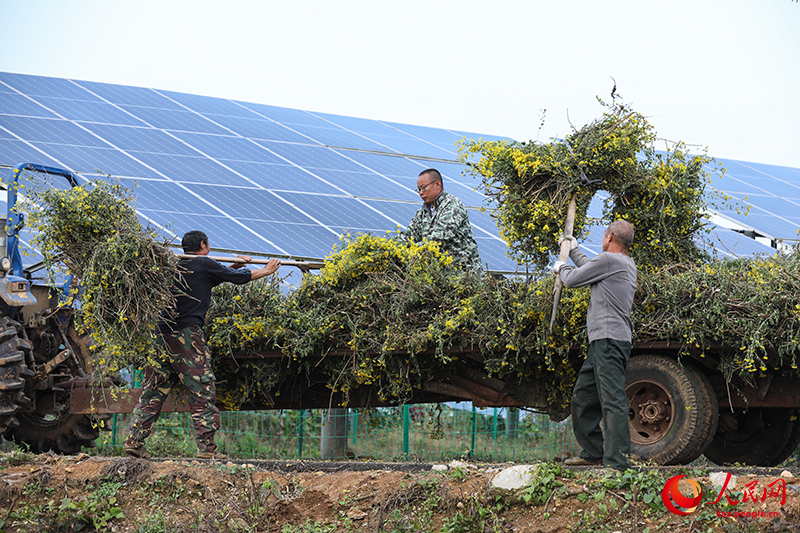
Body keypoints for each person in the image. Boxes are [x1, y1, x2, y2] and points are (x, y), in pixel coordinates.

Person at [124, 230, 281, 460]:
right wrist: (266, 270)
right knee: (201, 389)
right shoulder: (204, 263)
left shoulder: (174, 266)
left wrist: (235, 265)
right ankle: (207, 449)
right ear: (203, 244)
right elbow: (237, 278)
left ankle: (134, 441)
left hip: (160, 336)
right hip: (186, 336)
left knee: (153, 391)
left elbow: (213, 277)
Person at [552, 220, 637, 471]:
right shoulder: (622, 262)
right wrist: (573, 250)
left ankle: (617, 462)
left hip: (609, 340)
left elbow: (572, 279)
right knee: (583, 396)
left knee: (612, 400)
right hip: (604, 341)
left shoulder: (609, 261)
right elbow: (592, 268)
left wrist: (561, 267)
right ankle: (592, 452)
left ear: (609, 237)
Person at [403, 168, 483, 273]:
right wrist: (392, 248)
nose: (421, 193)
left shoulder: (453, 205)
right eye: (418, 189)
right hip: (441, 276)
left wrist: (409, 250)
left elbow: (439, 239)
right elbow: (408, 235)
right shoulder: (422, 213)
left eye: (423, 188)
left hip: (465, 275)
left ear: (437, 184)